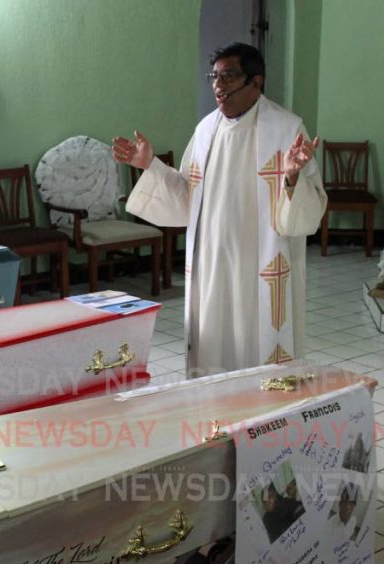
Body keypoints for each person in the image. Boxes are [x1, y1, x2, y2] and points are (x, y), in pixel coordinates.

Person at [113, 43, 327, 374]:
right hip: (211, 265)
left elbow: (310, 210)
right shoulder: (205, 131)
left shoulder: (286, 128)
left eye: (228, 76)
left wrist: (292, 177)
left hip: (261, 264)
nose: (218, 85)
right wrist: (150, 165)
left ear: (256, 82)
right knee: (214, 350)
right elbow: (187, 199)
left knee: (258, 350)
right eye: (214, 76)